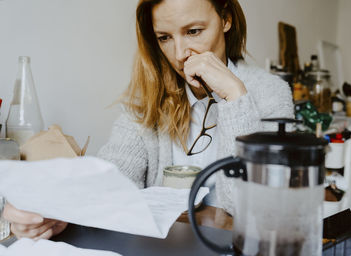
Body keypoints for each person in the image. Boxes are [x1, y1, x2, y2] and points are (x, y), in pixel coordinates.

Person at [2, 0, 293, 240]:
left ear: (226, 19)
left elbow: (260, 210)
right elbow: (115, 179)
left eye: (193, 31)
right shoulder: (149, 97)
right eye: (165, 37)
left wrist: (234, 98)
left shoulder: (269, 94)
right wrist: (55, 209)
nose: (180, 54)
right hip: (164, 251)